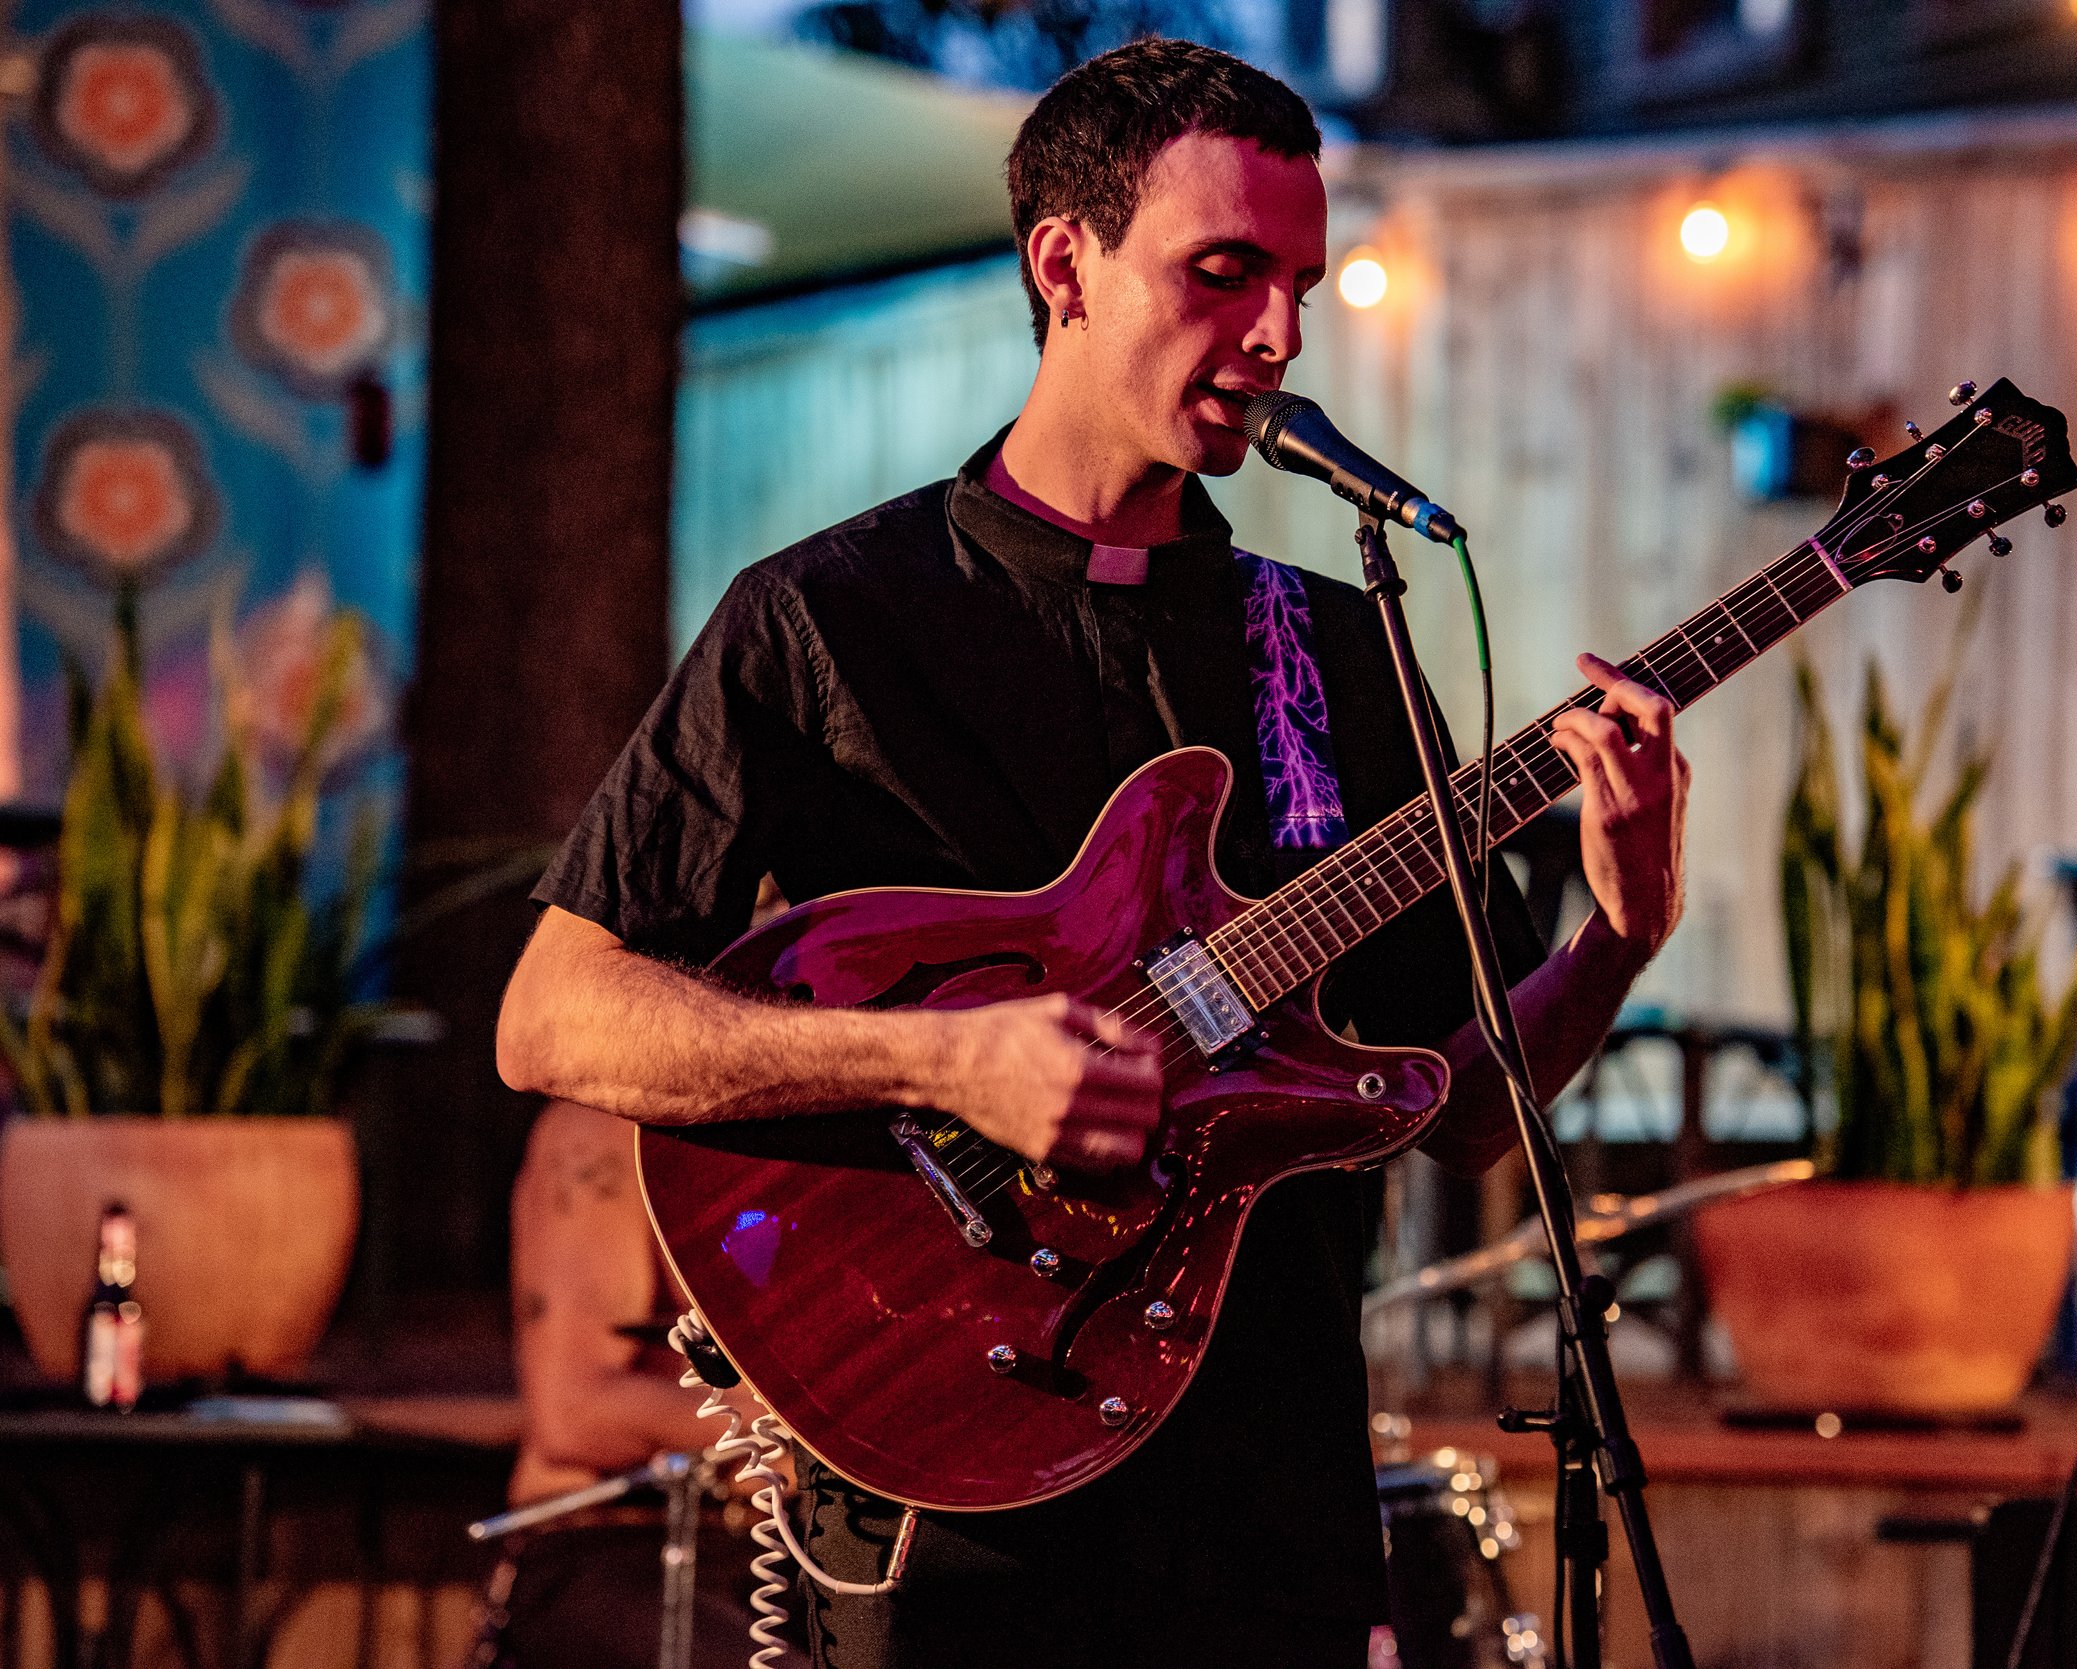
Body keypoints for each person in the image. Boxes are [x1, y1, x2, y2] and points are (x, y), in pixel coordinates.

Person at [496, 38, 1689, 1669]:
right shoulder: (829, 619)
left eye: (1298, 283)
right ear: (1065, 261)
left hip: (1270, 1512)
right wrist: (941, 1058)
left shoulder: (1328, 650)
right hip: (943, 1477)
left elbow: (1464, 1108)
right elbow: (555, 1015)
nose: (1275, 334)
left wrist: (1613, 939)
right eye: (1223, 271)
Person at [485, 1099, 767, 1669]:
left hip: (790, 1550)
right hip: (613, 1540)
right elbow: (574, 1412)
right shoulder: (597, 1137)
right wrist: (794, 1430)